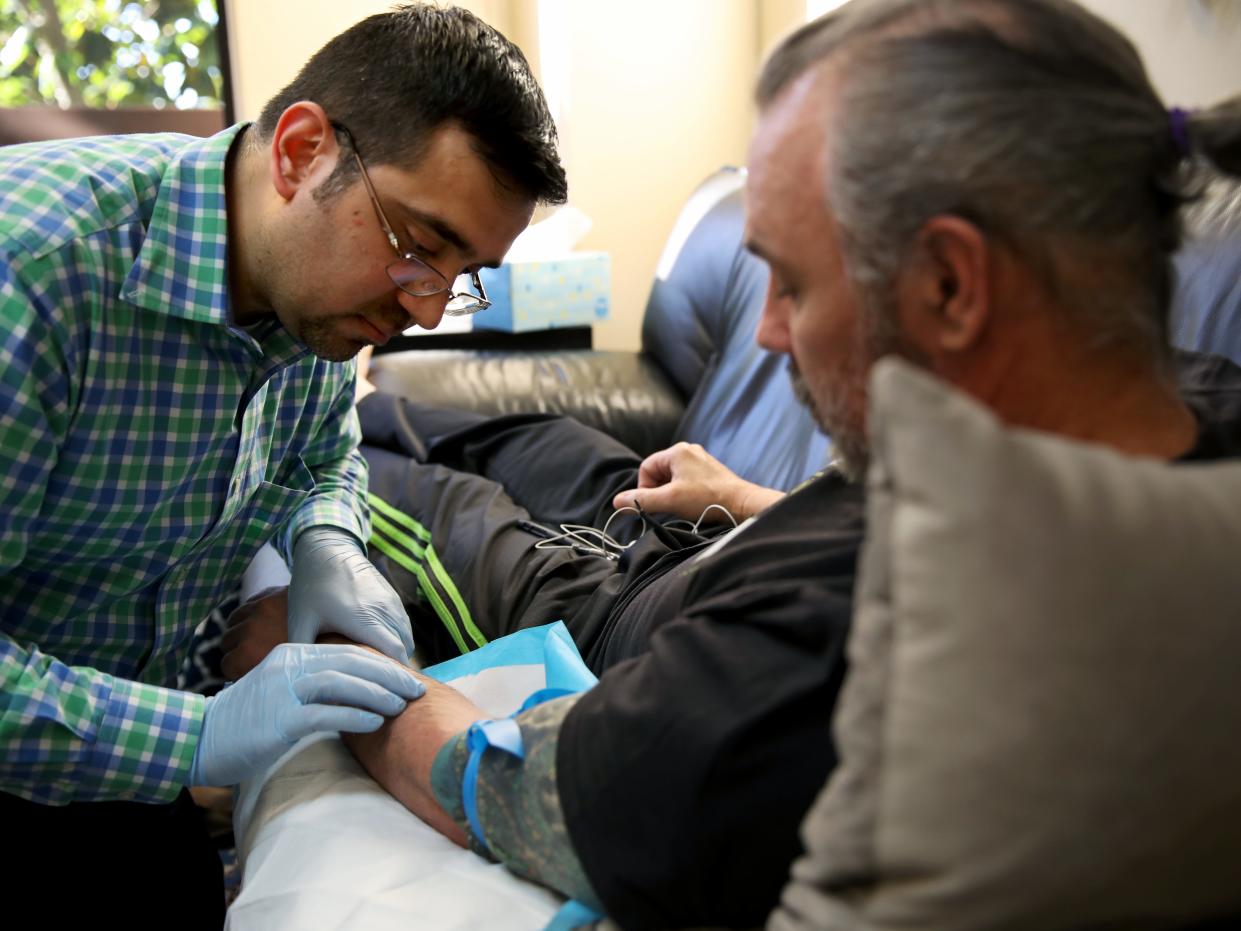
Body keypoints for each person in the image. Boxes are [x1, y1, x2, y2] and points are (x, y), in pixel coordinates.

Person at [225, 0, 1241, 927]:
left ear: (947, 282)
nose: (762, 334)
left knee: (420, 497)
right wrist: (747, 497)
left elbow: (487, 785)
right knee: (522, 432)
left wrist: (327, 667)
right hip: (708, 524)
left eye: (790, 284)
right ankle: (376, 405)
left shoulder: (832, 635)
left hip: (632, 601)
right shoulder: (1191, 410)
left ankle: (364, 427)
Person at [0, 3, 566, 926]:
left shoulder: (312, 297)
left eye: (458, 273)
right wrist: (201, 733)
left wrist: (327, 536)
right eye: (417, 247)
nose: (426, 312)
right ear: (300, 151)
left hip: (120, 776)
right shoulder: (32, 275)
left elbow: (324, 450)